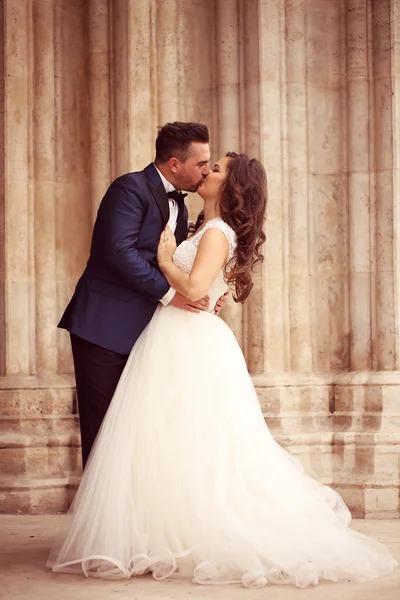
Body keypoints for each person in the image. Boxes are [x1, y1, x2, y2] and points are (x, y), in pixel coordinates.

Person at [48, 153, 397, 588]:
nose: (207, 171)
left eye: (216, 169)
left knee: (195, 439)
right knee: (172, 438)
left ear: (231, 188)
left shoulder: (216, 232)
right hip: (176, 336)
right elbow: (207, 287)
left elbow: (193, 289)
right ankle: (161, 530)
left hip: (186, 338)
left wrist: (165, 261)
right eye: (207, 165)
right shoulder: (202, 227)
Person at [58, 122, 227, 468]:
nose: (206, 170)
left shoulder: (183, 205)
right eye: (201, 163)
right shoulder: (130, 188)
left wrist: (209, 292)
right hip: (104, 327)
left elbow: (178, 261)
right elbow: (117, 252)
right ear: (174, 164)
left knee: (138, 431)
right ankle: (103, 520)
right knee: (105, 430)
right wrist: (171, 295)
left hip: (149, 336)